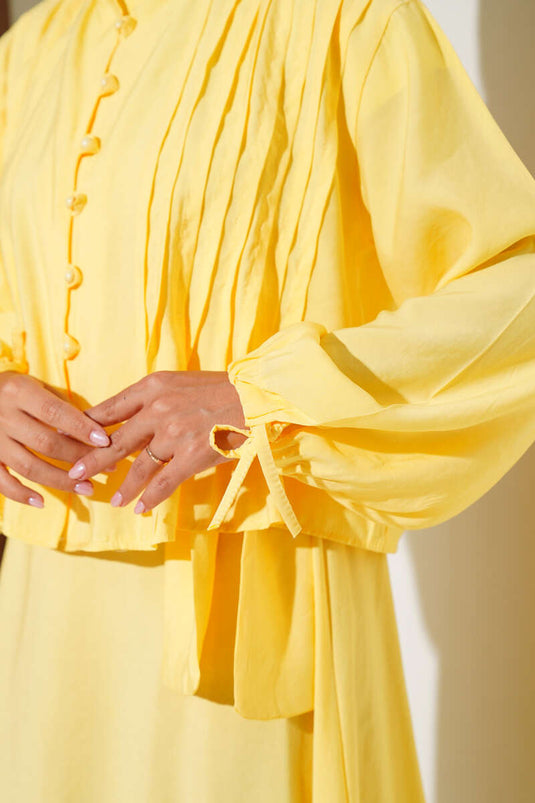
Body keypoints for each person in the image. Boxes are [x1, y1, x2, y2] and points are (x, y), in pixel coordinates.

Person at [1, 0, 535, 800]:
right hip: (50, 613)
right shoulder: (33, 50)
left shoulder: (348, 21)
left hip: (253, 601)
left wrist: (258, 399)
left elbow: (516, 287)